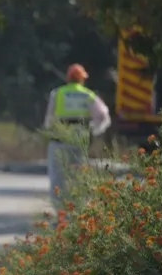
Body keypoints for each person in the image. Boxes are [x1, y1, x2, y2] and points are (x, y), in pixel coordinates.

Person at [42, 64, 111, 206]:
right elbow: (104, 115)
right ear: (82, 79)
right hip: (79, 143)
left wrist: (49, 130)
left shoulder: (57, 93)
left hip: (59, 142)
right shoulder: (88, 95)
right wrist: (95, 130)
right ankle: (77, 212)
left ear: (68, 79)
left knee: (57, 179)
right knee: (79, 178)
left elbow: (48, 120)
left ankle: (59, 213)